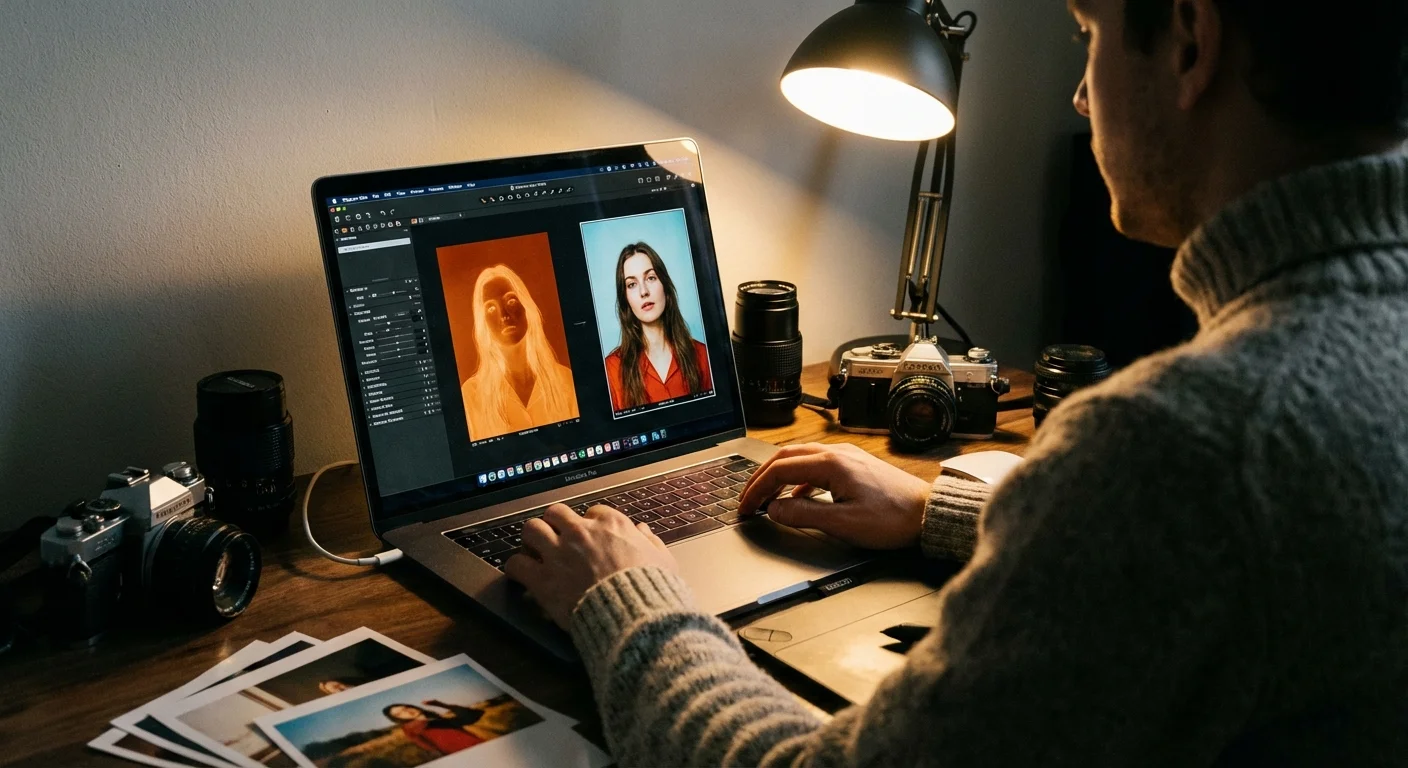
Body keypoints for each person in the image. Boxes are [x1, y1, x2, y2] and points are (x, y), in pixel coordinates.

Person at [505, 0, 1408, 764]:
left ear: (1189, 42)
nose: (1081, 94)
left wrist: (625, 600)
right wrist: (958, 515)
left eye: (1087, 35)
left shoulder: (1177, 446)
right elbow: (1216, 560)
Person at [460, 264, 578, 441]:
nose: (504, 315)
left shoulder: (565, 381)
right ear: (483, 323)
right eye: (491, 308)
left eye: (511, 301)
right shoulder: (471, 396)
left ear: (527, 307)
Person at [602, 242, 712, 411]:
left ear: (665, 288)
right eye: (632, 284)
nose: (643, 291)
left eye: (651, 278)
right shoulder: (612, 370)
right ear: (626, 301)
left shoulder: (702, 355)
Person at [382, 700, 485, 756]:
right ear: (398, 719)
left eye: (405, 707)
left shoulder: (435, 720)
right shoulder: (411, 728)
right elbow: (417, 729)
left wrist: (442, 704)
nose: (407, 711)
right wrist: (421, 717)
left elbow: (470, 717)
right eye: (399, 713)